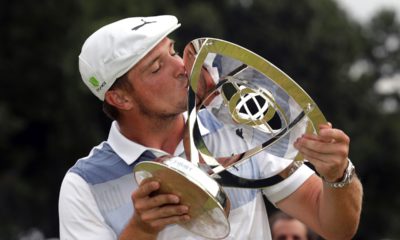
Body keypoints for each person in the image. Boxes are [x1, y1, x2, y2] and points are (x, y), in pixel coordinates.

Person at [58, 15, 363, 240]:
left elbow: (337, 228)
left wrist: (338, 175)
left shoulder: (236, 127)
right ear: (120, 97)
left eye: (173, 51)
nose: (181, 68)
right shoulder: (83, 185)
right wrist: (141, 229)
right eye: (156, 67)